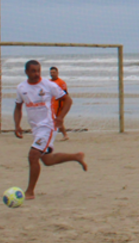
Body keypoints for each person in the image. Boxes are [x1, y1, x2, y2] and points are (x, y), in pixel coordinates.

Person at [13, 60, 86, 200]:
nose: (36, 74)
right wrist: (17, 125)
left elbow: (68, 100)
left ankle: (30, 192)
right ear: (26, 72)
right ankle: (76, 156)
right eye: (33, 71)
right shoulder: (21, 88)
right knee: (47, 160)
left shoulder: (48, 85)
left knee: (33, 155)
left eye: (38, 71)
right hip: (36, 128)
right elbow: (17, 107)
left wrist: (60, 117)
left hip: (48, 126)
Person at [49, 66, 70, 141]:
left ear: (57, 73)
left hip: (59, 104)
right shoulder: (49, 82)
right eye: (51, 73)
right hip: (51, 104)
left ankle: (65, 135)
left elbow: (65, 94)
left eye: (54, 72)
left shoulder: (61, 82)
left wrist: (64, 105)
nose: (52, 74)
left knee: (57, 119)